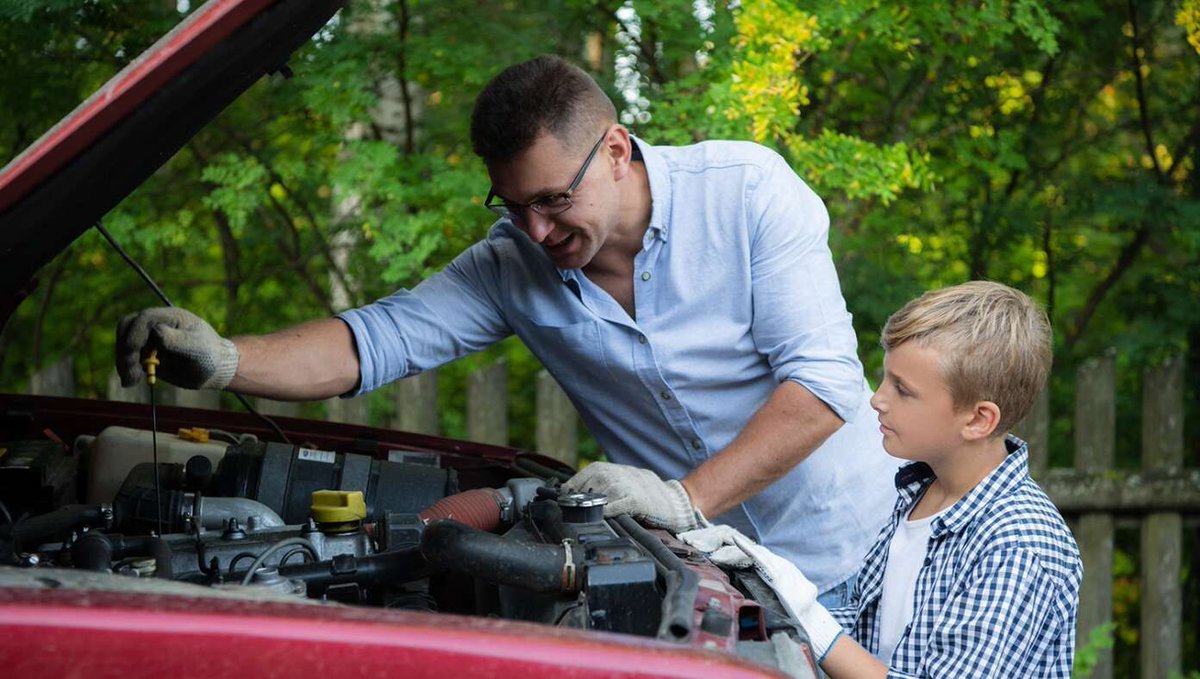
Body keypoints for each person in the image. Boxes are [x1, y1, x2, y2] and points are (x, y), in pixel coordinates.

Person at [115, 55, 898, 602]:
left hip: (863, 555)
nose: (535, 230)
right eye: (512, 205)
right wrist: (221, 357)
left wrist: (685, 498)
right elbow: (372, 340)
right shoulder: (508, 266)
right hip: (718, 586)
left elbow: (823, 384)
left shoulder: (748, 193)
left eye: (555, 200)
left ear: (617, 151)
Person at [682, 281, 1083, 677]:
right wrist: (763, 597)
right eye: (886, 378)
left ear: (978, 419)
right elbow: (867, 635)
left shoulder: (1017, 546)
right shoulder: (921, 492)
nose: (877, 399)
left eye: (903, 391)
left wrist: (811, 619)